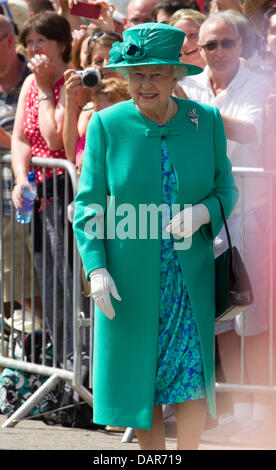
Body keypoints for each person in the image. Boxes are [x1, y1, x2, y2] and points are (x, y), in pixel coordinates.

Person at [73, 22, 238, 450]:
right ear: (125, 77)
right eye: (137, 74)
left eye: (156, 74)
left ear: (175, 76)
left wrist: (204, 212)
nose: (145, 84)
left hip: (189, 276)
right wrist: (96, 269)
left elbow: (226, 190)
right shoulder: (107, 125)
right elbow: (89, 206)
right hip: (130, 277)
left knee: (188, 375)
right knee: (142, 377)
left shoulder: (206, 122)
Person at [181, 11, 273, 446]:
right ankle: (237, 407)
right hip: (203, 213)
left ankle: (259, 410)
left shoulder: (258, 84)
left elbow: (253, 129)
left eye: (227, 43)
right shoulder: (191, 84)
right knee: (217, 315)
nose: (218, 52)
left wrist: (193, 110)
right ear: (198, 48)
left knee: (248, 312)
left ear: (242, 45)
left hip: (248, 211)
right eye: (209, 45)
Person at [11, 11, 74, 365]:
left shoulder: (68, 81)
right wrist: (22, 178)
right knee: (49, 284)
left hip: (66, 189)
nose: (34, 48)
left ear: (61, 44)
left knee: (68, 282)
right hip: (39, 192)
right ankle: (64, 365)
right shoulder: (29, 83)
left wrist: (49, 87)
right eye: (30, 42)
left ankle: (81, 365)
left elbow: (54, 139)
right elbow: (21, 137)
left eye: (41, 41)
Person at [0, 14, 42, 321]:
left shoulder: (37, 78)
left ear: (10, 41)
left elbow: (40, 138)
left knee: (48, 291)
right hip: (6, 207)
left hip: (39, 205)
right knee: (19, 292)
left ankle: (69, 356)